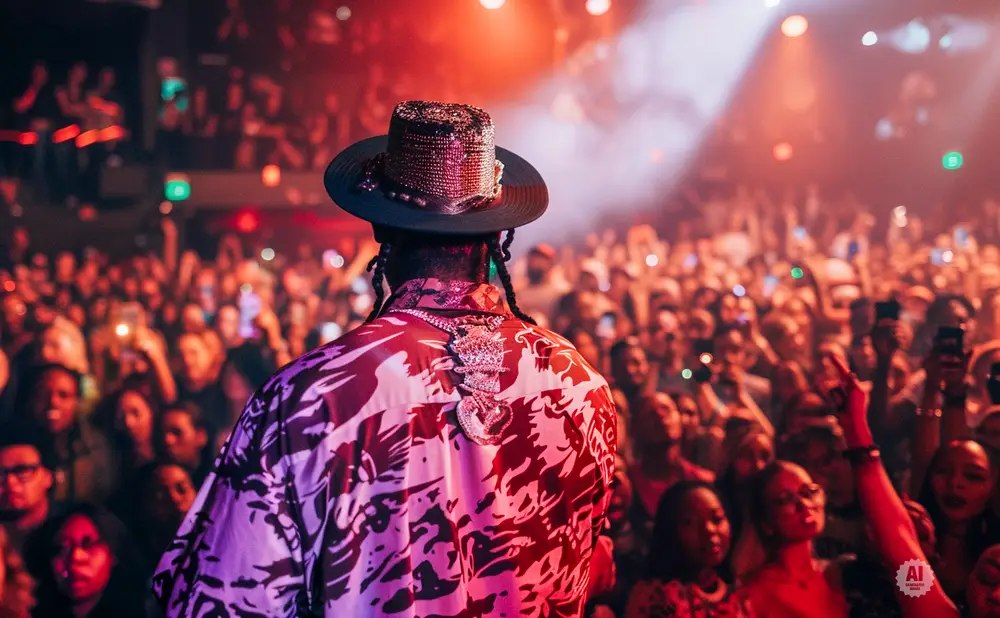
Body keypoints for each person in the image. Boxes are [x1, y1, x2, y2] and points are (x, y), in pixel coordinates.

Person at [152, 101, 618, 617]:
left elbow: (213, 601)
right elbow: (591, 565)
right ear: (499, 236)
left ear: (382, 232)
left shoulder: (309, 396)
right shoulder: (580, 385)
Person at [625, 480, 754, 617]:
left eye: (717, 519)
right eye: (690, 522)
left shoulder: (735, 590)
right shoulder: (657, 597)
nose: (709, 530)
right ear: (670, 530)